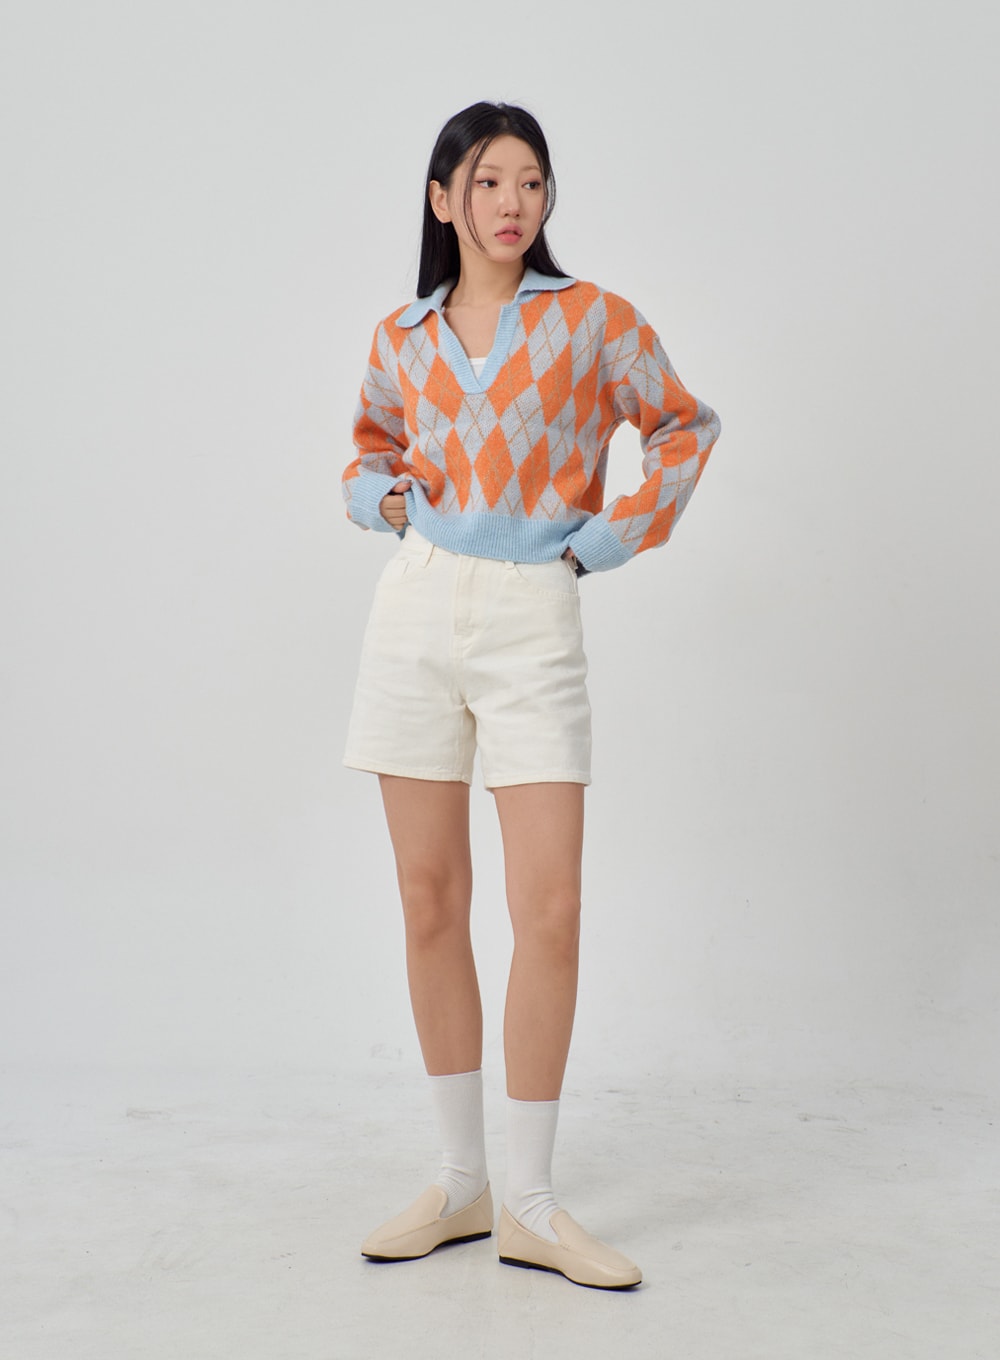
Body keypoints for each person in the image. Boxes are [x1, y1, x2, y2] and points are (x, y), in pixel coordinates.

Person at [341, 100, 721, 1290]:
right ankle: (461, 1181)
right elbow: (368, 448)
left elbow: (683, 428)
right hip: (414, 612)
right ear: (442, 198)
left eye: (531, 182)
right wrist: (379, 502)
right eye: (488, 180)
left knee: (547, 906)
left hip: (531, 615)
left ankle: (534, 1203)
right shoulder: (402, 333)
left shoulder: (592, 319)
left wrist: (598, 544)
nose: (513, 203)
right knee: (427, 898)